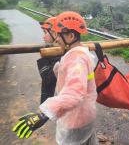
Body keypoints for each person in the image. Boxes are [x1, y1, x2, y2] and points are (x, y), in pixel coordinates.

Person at [12, 11, 98, 145]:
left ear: (71, 35)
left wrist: (43, 114)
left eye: (59, 34)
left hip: (76, 119)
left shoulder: (76, 60)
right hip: (85, 114)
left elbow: (74, 94)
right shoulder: (80, 53)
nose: (56, 39)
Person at [37, 17, 61, 104]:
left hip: (57, 103)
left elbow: (48, 80)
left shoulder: (61, 57)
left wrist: (44, 59)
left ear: (55, 33)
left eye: (45, 32)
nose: (43, 36)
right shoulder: (51, 51)